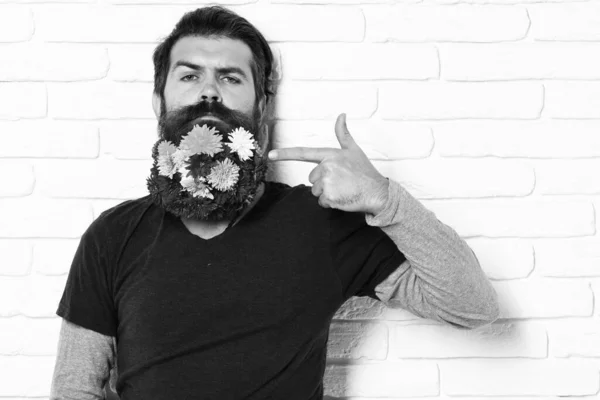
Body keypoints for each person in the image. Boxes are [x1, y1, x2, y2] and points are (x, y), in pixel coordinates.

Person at [50, 6, 499, 399]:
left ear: (261, 107)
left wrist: (384, 197)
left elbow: (471, 307)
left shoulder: (319, 223)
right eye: (189, 76)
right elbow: (75, 388)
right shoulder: (112, 236)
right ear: (158, 101)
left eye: (230, 77)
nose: (209, 91)